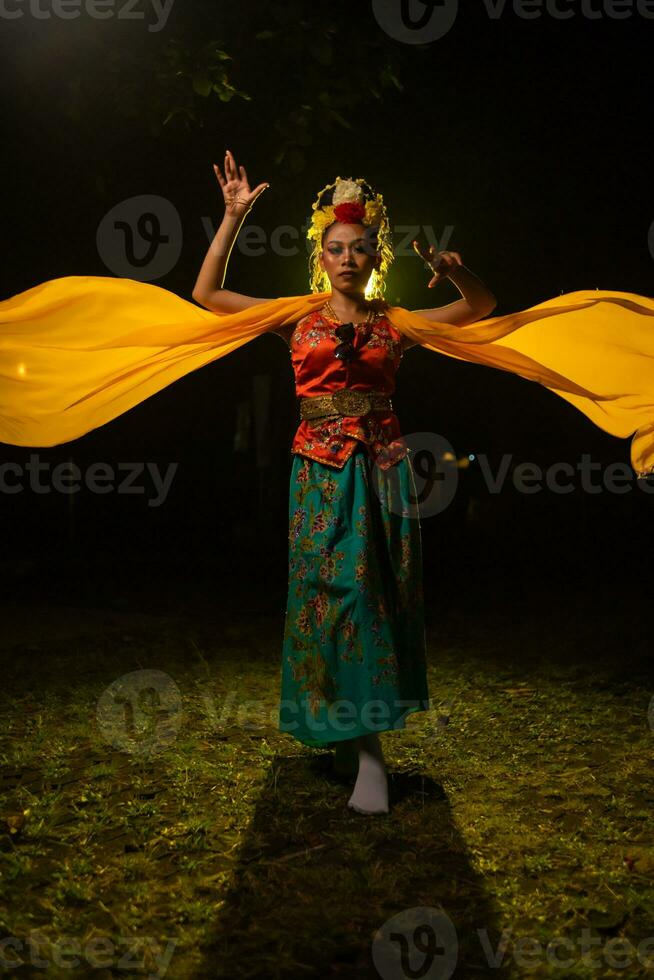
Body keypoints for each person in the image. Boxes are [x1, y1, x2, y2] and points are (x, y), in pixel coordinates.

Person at [191, 151, 497, 815]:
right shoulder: (296, 317)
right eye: (336, 249)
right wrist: (234, 216)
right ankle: (341, 735)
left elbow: (482, 306)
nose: (348, 258)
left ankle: (368, 754)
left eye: (359, 248)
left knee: (371, 599)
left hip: (382, 475)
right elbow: (208, 297)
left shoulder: (396, 322)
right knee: (326, 601)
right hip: (318, 477)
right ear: (321, 257)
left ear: (374, 255)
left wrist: (455, 271)